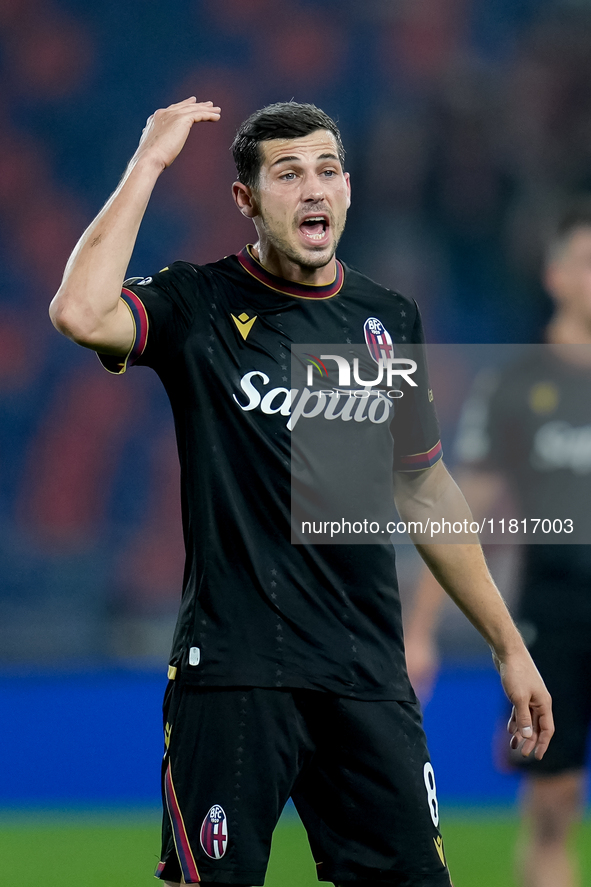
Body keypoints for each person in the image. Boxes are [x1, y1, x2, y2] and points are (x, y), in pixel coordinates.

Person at [49, 97, 553, 887]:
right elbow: (79, 311)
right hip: (234, 674)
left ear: (348, 189)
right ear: (246, 201)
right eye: (287, 175)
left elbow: (420, 486)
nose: (312, 188)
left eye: (325, 171)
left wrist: (507, 644)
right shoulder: (199, 304)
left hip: (363, 673)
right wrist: (148, 161)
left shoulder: (383, 318)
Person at [404, 202, 591, 887]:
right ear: (556, 276)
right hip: (555, 606)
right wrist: (419, 630)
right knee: (551, 807)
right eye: (587, 263)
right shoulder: (514, 385)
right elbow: (455, 513)